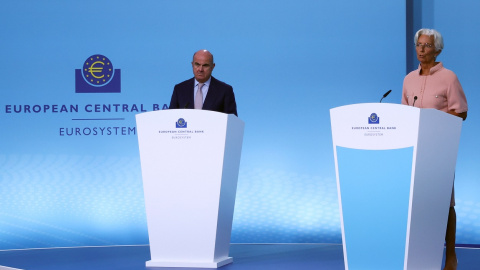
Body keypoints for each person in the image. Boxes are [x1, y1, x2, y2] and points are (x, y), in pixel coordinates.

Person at [402, 28, 468, 270]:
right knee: (416, 202)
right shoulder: (408, 79)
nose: (421, 49)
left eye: (427, 45)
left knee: (445, 204)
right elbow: (403, 114)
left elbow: (461, 111)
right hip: (413, 149)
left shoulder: (449, 77)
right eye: (419, 45)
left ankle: (450, 255)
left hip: (439, 150)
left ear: (438, 49)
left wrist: (435, 120)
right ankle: (418, 255)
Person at [169, 49, 238, 116]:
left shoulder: (225, 90)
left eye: (205, 65)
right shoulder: (179, 89)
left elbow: (232, 122)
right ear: (192, 64)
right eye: (197, 64)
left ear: (213, 67)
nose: (200, 69)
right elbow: (171, 118)